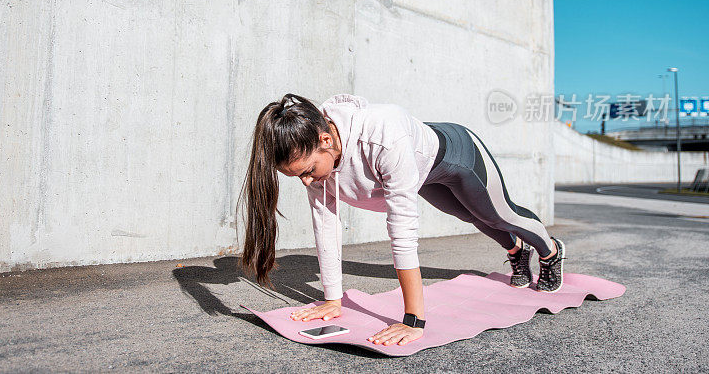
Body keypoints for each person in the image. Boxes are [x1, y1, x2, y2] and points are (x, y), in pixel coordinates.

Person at [239, 93, 565, 347]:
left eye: (308, 171)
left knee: (497, 214)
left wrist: (413, 319)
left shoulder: (381, 134)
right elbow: (325, 226)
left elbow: (402, 230)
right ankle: (516, 252)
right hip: (424, 174)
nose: (307, 182)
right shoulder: (315, 157)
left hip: (459, 154)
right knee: (473, 217)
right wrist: (332, 300)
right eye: (298, 177)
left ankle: (550, 251)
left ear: (325, 140)